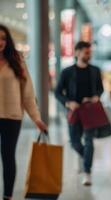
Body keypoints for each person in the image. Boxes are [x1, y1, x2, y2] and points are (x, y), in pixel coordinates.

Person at [0, 24, 47, 200]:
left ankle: (7, 196)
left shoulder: (17, 60)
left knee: (8, 156)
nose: (0, 42)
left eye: (3, 38)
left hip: (12, 117)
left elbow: (28, 93)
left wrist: (36, 118)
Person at [55, 41, 104, 186]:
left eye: (90, 52)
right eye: (86, 52)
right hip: (74, 111)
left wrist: (96, 96)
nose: (89, 55)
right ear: (77, 52)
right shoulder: (67, 72)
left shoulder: (95, 70)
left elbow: (100, 89)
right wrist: (68, 102)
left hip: (90, 111)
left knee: (89, 141)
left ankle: (87, 172)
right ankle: (86, 157)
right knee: (74, 142)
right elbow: (58, 92)